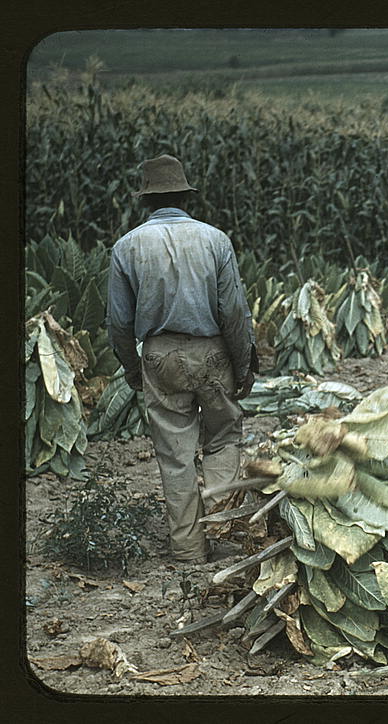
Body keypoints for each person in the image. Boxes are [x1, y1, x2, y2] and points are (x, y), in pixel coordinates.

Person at [106, 154, 257, 563]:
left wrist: (132, 367)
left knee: (174, 456)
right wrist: (243, 366)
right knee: (224, 436)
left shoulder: (127, 246)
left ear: (146, 200)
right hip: (213, 353)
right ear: (186, 196)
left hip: (159, 355)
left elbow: (118, 322)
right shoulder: (215, 239)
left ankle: (189, 548)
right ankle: (223, 528)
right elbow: (234, 313)